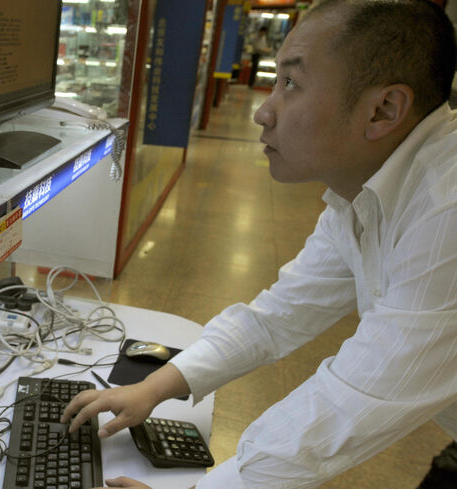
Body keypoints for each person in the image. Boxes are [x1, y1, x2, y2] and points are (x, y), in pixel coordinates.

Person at [60, 1, 457, 488]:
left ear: (383, 110)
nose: (264, 112)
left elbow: (355, 398)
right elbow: (279, 314)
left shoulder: (447, 209)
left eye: (291, 84)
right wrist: (157, 385)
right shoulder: (364, 194)